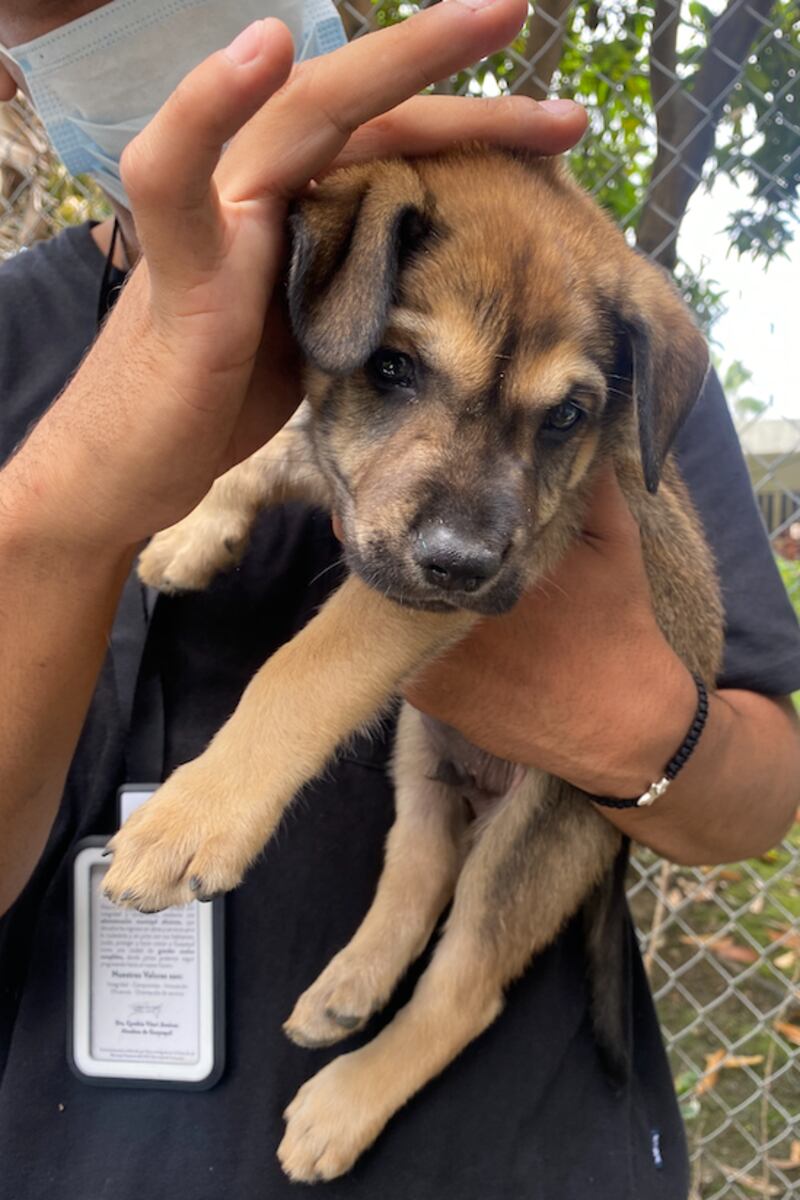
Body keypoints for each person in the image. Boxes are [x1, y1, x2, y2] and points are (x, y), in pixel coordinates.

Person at [1, 1, 798, 1197]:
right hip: (76, 1155)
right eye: (392, 366)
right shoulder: (31, 334)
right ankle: (397, 938)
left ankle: (434, 1011)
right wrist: (58, 523)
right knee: (424, 820)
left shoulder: (572, 299)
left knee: (481, 857)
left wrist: (634, 729)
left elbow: (759, 792)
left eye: (557, 415)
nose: (464, 529)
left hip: (513, 1155)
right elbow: (309, 442)